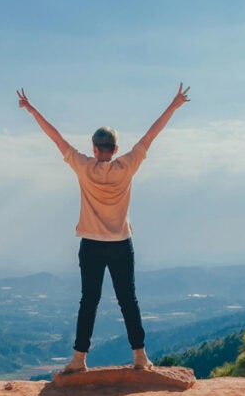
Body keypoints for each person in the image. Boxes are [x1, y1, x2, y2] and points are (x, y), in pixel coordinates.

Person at [17, 83, 191, 373]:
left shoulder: (84, 167)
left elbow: (56, 138)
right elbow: (151, 135)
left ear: (95, 149)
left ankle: (79, 359)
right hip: (122, 242)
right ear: (116, 149)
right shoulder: (127, 166)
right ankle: (140, 357)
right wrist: (173, 105)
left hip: (91, 244)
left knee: (89, 301)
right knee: (128, 300)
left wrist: (32, 110)